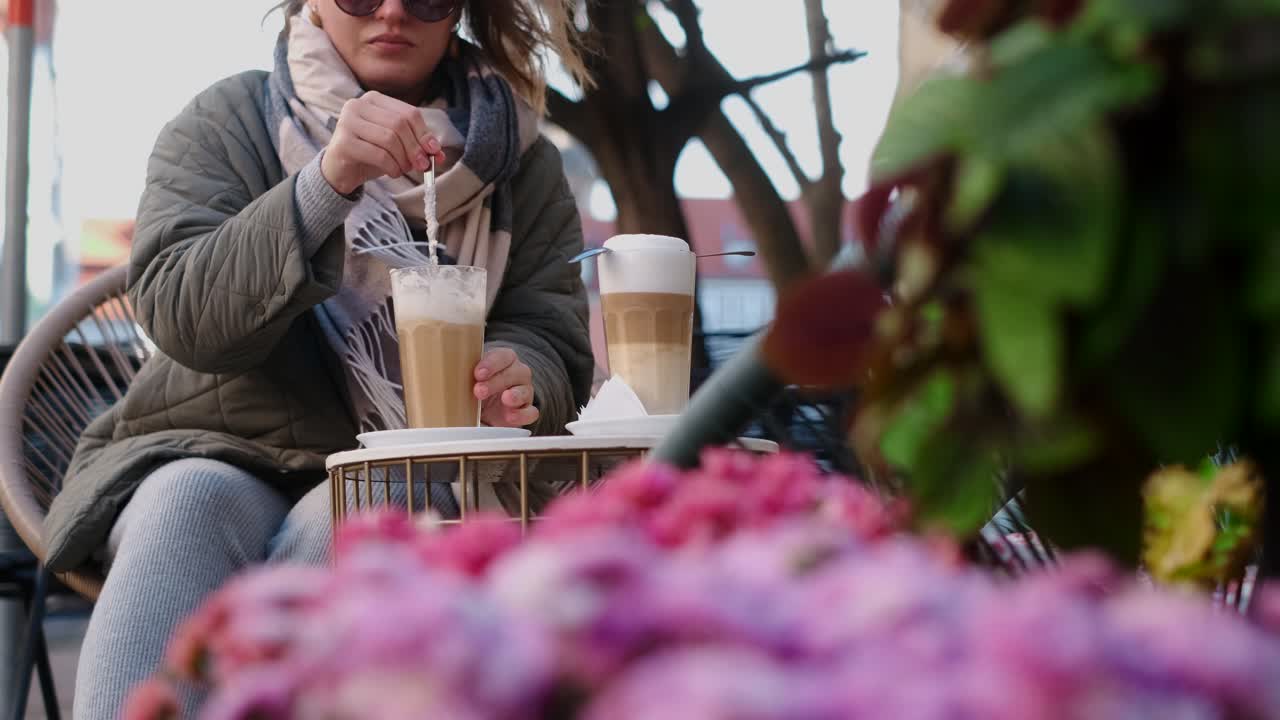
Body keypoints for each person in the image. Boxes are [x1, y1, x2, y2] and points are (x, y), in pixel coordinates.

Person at [42, 0, 595, 715]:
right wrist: (323, 186)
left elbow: (548, 329)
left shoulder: (523, 160)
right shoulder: (229, 119)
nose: (392, 10)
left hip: (407, 465)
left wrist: (523, 373)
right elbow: (182, 317)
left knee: (381, 502)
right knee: (186, 500)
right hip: (218, 446)